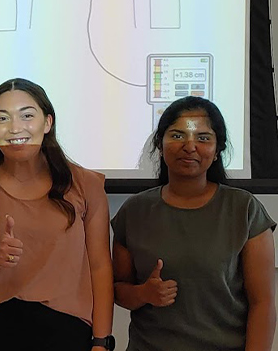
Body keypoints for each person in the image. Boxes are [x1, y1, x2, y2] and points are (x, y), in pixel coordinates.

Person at [0, 78, 114, 351]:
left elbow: (101, 267)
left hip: (66, 331)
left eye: (27, 116)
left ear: (47, 122)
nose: (15, 128)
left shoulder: (86, 185)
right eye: (2, 118)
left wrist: (102, 341)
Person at [111, 96, 276, 351]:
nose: (190, 146)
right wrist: (144, 293)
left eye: (203, 138)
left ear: (218, 148)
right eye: (177, 136)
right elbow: (119, 289)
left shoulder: (244, 209)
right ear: (160, 143)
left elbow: (262, 303)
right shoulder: (134, 211)